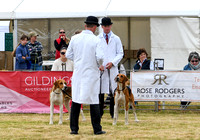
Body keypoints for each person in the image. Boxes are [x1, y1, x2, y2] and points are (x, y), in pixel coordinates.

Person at [65, 16, 105, 135]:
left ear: (85, 26)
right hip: (91, 73)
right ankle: (97, 129)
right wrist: (99, 64)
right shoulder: (96, 40)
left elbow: (68, 54)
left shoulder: (74, 38)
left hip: (78, 73)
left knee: (76, 100)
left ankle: (74, 129)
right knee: (94, 101)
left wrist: (78, 61)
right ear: (94, 27)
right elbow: (100, 57)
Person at [98, 17, 124, 118]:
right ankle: (99, 113)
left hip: (112, 68)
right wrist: (99, 64)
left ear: (111, 26)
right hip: (102, 68)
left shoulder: (116, 38)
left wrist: (113, 63)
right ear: (102, 26)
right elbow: (96, 53)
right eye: (105, 26)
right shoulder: (97, 38)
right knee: (100, 91)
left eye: (108, 26)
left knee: (114, 90)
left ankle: (113, 113)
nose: (107, 28)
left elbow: (120, 53)